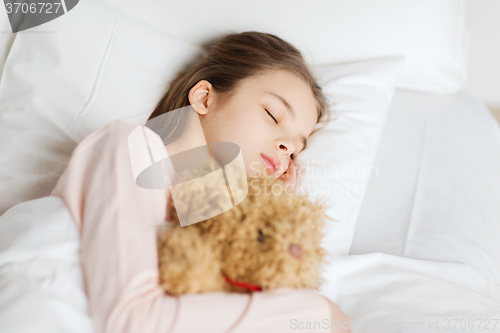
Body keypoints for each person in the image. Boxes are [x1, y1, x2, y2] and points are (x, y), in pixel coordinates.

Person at [51, 31, 351, 333]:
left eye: (297, 149)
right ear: (204, 98)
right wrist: (319, 315)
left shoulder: (211, 228)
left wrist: (269, 220)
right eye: (273, 115)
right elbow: (131, 321)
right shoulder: (130, 146)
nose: (287, 147)